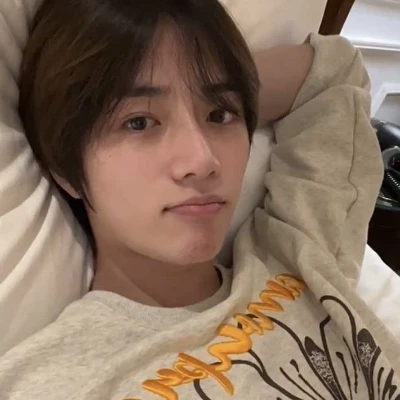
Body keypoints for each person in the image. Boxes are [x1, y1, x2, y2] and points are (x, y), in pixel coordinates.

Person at [0, 0, 399, 398]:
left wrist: (213, 78)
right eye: (138, 122)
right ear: (65, 168)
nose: (203, 160)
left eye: (220, 115)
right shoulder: (53, 384)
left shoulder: (299, 250)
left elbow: (332, 73)